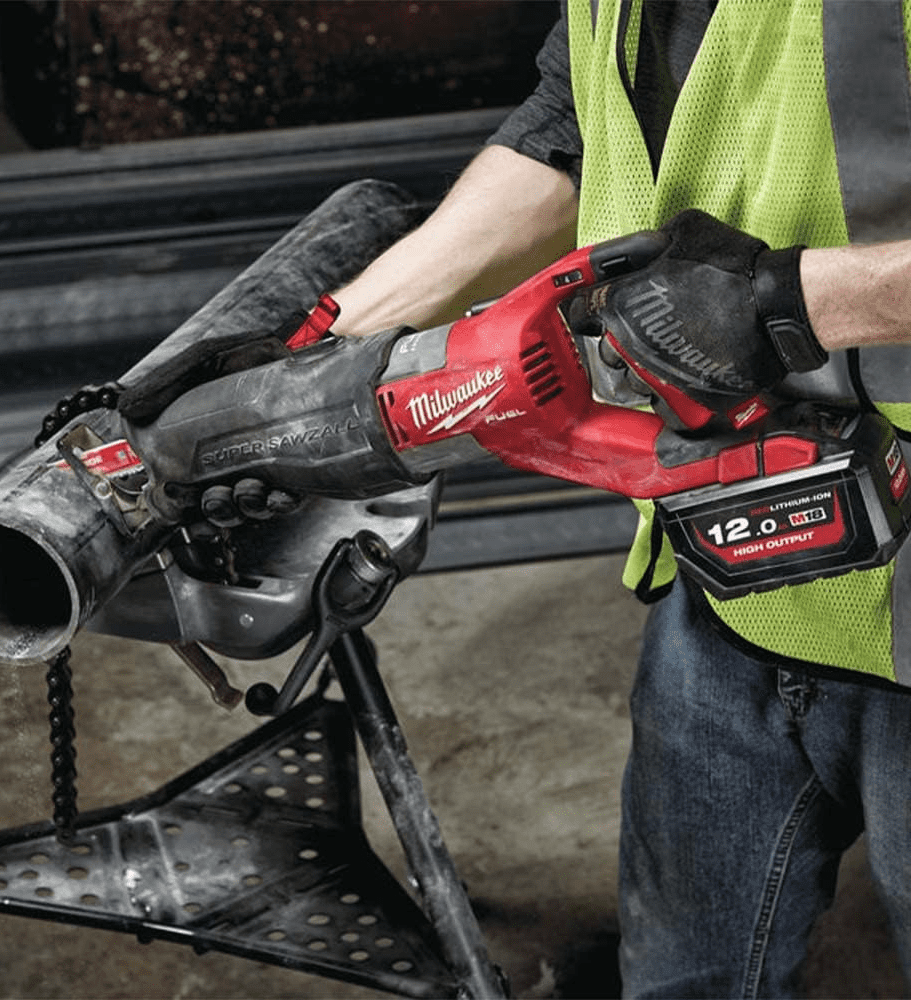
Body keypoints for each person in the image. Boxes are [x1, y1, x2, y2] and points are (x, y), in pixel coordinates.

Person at [321, 2, 911, 996]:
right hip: (731, 570)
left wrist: (784, 301)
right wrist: (330, 345)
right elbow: (572, 127)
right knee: (683, 977)